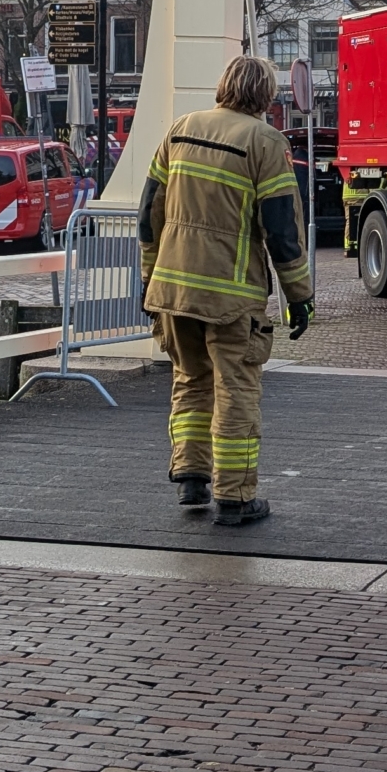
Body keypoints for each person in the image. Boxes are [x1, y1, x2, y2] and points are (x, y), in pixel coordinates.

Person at [140, 55, 315, 528]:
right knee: (236, 391)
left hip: (173, 289)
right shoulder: (264, 141)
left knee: (190, 379)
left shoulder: (180, 129)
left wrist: (148, 278)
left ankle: (191, 478)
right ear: (265, 96)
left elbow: (148, 213)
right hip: (230, 295)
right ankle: (236, 498)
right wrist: (299, 295)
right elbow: (281, 230)